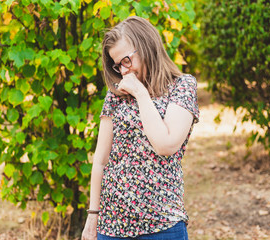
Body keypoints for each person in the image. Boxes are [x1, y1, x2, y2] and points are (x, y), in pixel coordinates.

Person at [81, 16, 199, 240]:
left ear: (146, 46)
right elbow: (101, 160)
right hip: (112, 226)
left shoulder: (182, 86)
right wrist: (92, 216)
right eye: (117, 65)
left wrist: (141, 93)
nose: (124, 71)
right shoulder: (116, 94)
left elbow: (166, 144)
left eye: (127, 60)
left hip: (162, 225)